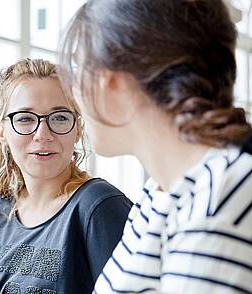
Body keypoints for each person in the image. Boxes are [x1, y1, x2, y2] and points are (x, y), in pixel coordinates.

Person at [59, 0, 252, 293]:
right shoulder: (157, 194)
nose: (75, 93)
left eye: (79, 68)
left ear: (112, 80)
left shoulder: (220, 198)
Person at [0, 59, 132, 294]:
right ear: (2, 132)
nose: (43, 134)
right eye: (25, 118)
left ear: (77, 129)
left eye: (60, 118)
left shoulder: (98, 207)